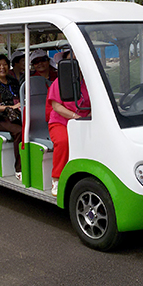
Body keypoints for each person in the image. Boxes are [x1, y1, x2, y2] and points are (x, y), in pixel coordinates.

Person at [47, 54, 90, 197]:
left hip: (85, 122)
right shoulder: (59, 82)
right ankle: (56, 179)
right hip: (61, 121)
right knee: (63, 141)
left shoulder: (90, 82)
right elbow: (57, 106)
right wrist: (75, 116)